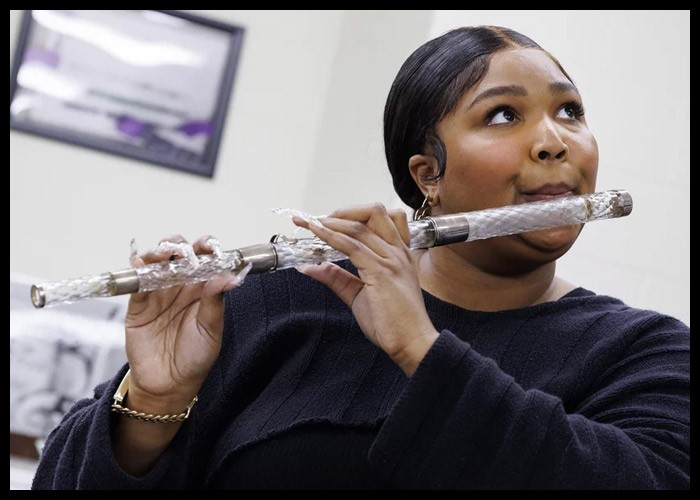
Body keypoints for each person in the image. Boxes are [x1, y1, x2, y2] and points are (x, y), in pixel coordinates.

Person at [31, 25, 689, 490]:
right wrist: (153, 401)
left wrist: (423, 352)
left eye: (569, 111)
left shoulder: (644, 355)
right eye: (502, 116)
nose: (553, 141)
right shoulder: (271, 304)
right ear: (427, 173)